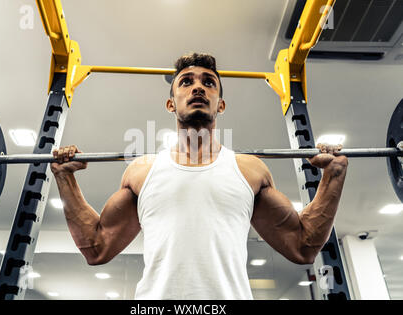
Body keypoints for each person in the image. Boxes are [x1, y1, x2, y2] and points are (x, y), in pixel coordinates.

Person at [51, 53, 348, 300]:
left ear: (220, 104)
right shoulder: (142, 172)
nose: (198, 88)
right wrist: (65, 179)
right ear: (171, 104)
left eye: (209, 83)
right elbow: (97, 248)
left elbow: (303, 246)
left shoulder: (249, 171)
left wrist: (332, 176)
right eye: (186, 82)